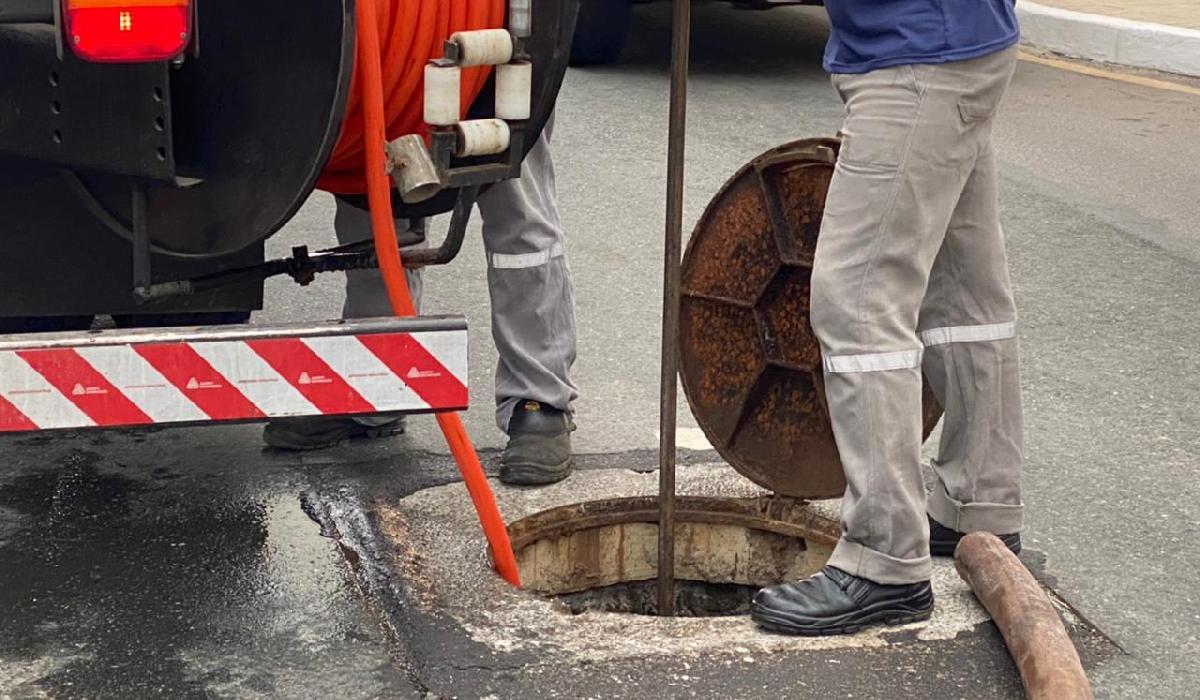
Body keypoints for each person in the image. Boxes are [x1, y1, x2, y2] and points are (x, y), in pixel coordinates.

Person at [751, 2, 1025, 635]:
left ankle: (884, 558)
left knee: (858, 299)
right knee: (963, 291)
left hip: (917, 57)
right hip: (962, 42)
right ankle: (978, 503)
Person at [264, 124, 579, 487]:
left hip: (491, 77)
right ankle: (376, 384)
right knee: (372, 209)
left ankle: (539, 401)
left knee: (515, 202)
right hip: (385, 76)